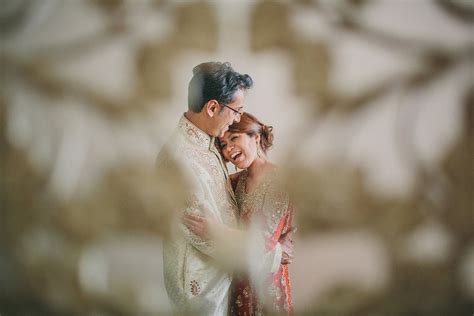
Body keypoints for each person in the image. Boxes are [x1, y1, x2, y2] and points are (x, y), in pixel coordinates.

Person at [156, 62, 253, 315]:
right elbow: (202, 232)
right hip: (201, 291)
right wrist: (268, 251)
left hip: (222, 279)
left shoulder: (208, 143)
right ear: (212, 107)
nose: (238, 119)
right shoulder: (178, 158)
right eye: (236, 111)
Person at [184, 112, 296, 315]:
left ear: (256, 137)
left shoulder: (281, 181)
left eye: (234, 138)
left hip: (267, 287)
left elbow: (264, 243)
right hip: (236, 284)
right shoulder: (235, 182)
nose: (229, 149)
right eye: (224, 145)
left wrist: (215, 230)